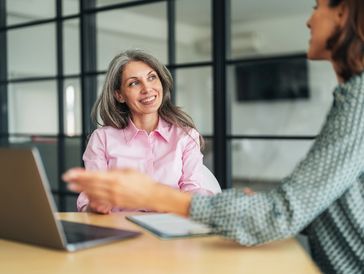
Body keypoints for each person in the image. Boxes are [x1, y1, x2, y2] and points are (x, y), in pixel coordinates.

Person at [63, 0, 364, 273]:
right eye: (134, 83)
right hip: (118, 245)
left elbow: (280, 214)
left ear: (342, 13)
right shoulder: (350, 101)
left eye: (317, 6)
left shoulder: (358, 106)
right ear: (119, 94)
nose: (309, 20)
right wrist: (257, 204)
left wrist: (150, 194)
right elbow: (308, 205)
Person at [77, 49, 221, 213]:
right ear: (119, 95)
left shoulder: (185, 137)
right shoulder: (102, 139)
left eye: (152, 77)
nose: (147, 88)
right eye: (134, 83)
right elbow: (88, 201)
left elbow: (194, 191)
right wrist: (96, 205)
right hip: (121, 231)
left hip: (171, 230)